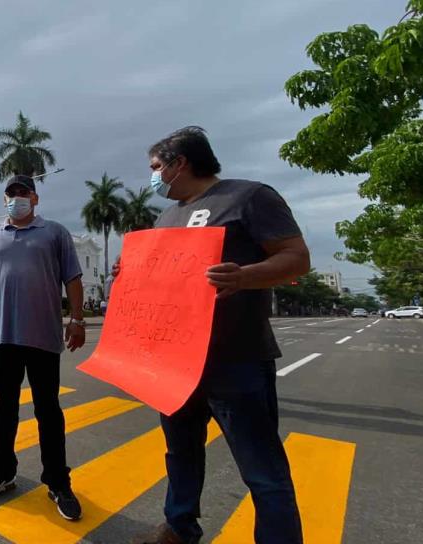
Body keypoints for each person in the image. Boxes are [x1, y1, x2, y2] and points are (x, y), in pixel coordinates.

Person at [130, 127, 308, 544]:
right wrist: (132, 276)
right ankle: (178, 526)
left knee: (261, 469)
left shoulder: (249, 197)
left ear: (180, 163)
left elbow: (296, 259)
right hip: (176, 363)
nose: (153, 177)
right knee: (181, 454)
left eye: (156, 167)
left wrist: (245, 277)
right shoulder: (166, 217)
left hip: (236, 359)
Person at [0, 175, 85, 521]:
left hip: (43, 338)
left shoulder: (55, 233)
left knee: (48, 410)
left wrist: (76, 320)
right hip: (3, 337)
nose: (16, 198)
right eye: (10, 193)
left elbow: (73, 279)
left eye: (22, 193)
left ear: (34, 198)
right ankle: (2, 471)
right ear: (4, 199)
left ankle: (58, 482)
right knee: (4, 407)